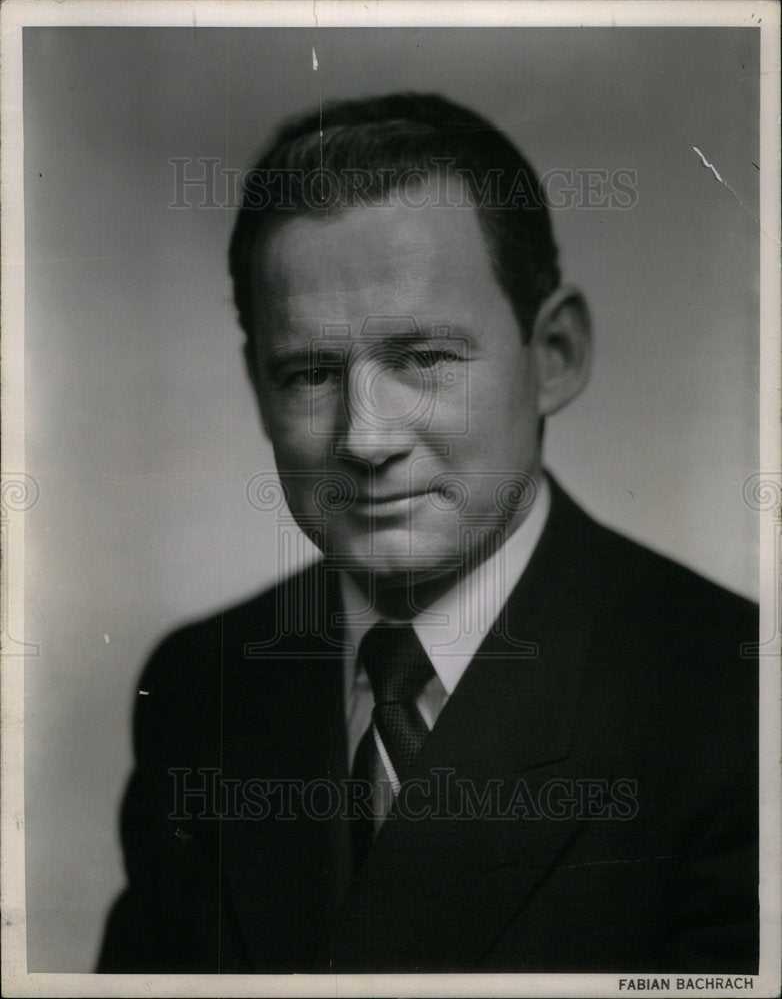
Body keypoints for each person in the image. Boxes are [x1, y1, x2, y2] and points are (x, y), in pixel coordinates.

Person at [97, 93, 758, 975]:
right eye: (310, 373)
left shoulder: (737, 700)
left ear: (553, 354)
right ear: (257, 389)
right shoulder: (199, 687)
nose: (365, 438)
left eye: (423, 360)